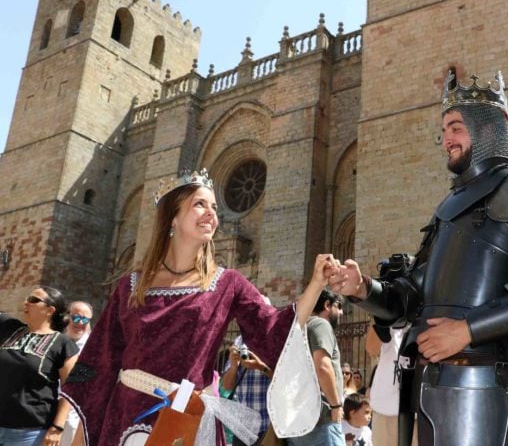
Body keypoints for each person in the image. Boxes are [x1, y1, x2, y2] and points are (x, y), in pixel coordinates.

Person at [329, 69, 508, 446]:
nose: (446, 139)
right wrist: (363, 289)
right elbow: (413, 297)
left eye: (455, 128)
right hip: (433, 393)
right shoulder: (447, 209)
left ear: (487, 129)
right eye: (444, 130)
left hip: (507, 396)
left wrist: (467, 330)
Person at [61, 169, 338, 446]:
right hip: (126, 417)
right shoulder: (131, 286)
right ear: (173, 217)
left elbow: (275, 329)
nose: (211, 214)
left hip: (188, 419)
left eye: (214, 207)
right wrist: (80, 437)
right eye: (199, 204)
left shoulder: (228, 283)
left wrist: (316, 283)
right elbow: (100, 361)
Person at [0, 287, 79, 446]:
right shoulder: (9, 327)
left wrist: (57, 427)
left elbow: (72, 389)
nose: (26, 302)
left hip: (29, 433)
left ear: (50, 310)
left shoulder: (63, 343)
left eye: (33, 300)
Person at [287, 289, 345, 446]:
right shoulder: (320, 324)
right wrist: (335, 405)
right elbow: (323, 367)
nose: (341, 312)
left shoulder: (295, 329)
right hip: (322, 420)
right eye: (339, 306)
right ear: (327, 305)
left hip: (296, 421)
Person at [222, 333, 273, 445]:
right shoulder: (239, 341)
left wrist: (261, 367)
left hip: (267, 427)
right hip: (242, 428)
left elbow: (284, 380)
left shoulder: (274, 339)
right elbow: (227, 386)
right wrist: (234, 366)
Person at [60, 301, 93, 446]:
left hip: (74, 415)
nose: (80, 323)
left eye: (85, 319)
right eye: (76, 317)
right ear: (67, 317)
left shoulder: (93, 349)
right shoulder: (56, 341)